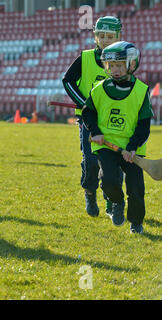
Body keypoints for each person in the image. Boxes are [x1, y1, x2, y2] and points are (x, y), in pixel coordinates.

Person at [82, 41, 153, 234]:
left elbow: (144, 125)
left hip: (132, 148)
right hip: (106, 145)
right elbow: (88, 113)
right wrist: (95, 131)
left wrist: (132, 147)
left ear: (131, 64)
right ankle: (117, 202)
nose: (115, 70)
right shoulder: (99, 88)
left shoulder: (141, 91)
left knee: (136, 188)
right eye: (111, 66)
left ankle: (136, 222)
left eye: (119, 65)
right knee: (109, 182)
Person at [62, 16, 123, 217]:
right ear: (95, 37)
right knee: (91, 161)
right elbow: (68, 80)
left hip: (113, 122)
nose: (105, 40)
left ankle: (110, 200)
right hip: (88, 120)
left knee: (112, 163)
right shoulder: (86, 58)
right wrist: (83, 102)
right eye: (102, 36)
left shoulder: (123, 61)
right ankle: (90, 192)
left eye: (110, 36)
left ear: (118, 37)